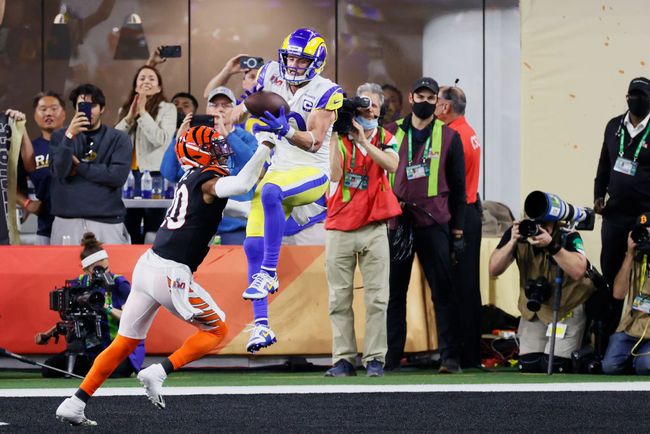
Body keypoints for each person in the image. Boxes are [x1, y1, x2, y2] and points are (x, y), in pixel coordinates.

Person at [55, 126, 273, 426]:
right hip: (171, 273)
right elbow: (241, 184)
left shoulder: (191, 179)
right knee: (218, 331)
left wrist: (272, 210)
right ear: (198, 153)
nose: (222, 152)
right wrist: (265, 146)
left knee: (124, 341)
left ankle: (75, 401)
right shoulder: (207, 181)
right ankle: (158, 371)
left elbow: (236, 206)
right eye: (214, 148)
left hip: (149, 266)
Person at [239, 28, 343, 354]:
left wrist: (286, 130)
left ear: (317, 62)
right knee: (252, 245)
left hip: (312, 172)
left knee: (269, 192)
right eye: (292, 57)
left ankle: (270, 273)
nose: (295, 64)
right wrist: (236, 113)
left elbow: (314, 141)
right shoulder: (271, 71)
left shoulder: (327, 91)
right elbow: (250, 101)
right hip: (280, 170)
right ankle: (261, 327)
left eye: (302, 59)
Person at [384, 77, 466, 373]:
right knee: (394, 293)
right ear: (411, 97)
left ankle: (449, 357)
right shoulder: (390, 133)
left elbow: (459, 189)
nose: (425, 102)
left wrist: (458, 232)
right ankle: (390, 357)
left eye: (430, 98)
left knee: (443, 292)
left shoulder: (449, 137)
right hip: (398, 224)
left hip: (434, 223)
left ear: (437, 103)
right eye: (420, 96)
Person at [324, 83, 401, 378]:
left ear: (381, 111)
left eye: (374, 107)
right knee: (338, 299)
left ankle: (375, 359)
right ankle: (343, 359)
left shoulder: (386, 138)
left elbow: (392, 165)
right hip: (339, 227)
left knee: (378, 298)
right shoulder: (338, 139)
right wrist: (334, 132)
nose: (369, 110)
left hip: (374, 227)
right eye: (364, 105)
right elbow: (334, 174)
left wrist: (365, 143)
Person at [488, 218, 595, 373]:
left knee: (556, 366)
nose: (539, 229)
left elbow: (578, 271)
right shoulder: (518, 232)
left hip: (567, 306)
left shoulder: (568, 235)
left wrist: (552, 245)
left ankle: (585, 345)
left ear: (555, 223)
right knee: (529, 365)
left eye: (545, 225)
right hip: (535, 308)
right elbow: (493, 270)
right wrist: (512, 242)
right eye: (536, 224)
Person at [35, 232, 145, 378]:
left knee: (113, 371)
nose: (104, 274)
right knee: (49, 369)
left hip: (117, 347)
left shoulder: (119, 284)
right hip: (90, 347)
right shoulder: (78, 284)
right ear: (86, 270)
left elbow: (130, 318)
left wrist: (106, 307)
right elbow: (72, 315)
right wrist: (47, 334)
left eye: (106, 269)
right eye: (98, 270)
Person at [161, 86, 257, 245]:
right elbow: (169, 173)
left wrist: (227, 135)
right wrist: (178, 139)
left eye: (225, 105)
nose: (219, 109)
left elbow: (252, 167)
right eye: (214, 105)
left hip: (236, 226)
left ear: (234, 110)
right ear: (206, 109)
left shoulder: (246, 138)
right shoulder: (194, 138)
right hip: (196, 224)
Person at [594, 77, 650, 338]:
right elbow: (604, 164)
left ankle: (639, 329)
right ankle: (611, 331)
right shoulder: (614, 126)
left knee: (642, 274)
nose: (635, 99)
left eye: (641, 95)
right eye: (632, 95)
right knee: (611, 267)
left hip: (645, 214)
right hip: (615, 213)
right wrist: (598, 195)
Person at [435, 85, 483, 368]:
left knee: (461, 289)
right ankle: (469, 353)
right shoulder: (468, 132)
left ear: (446, 107)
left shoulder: (456, 137)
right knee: (466, 288)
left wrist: (457, 228)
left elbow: (454, 185)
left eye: (436, 100)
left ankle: (467, 355)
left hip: (461, 215)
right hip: (469, 209)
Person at [49, 84, 132, 245]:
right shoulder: (60, 136)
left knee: (113, 270)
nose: (89, 110)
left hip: (107, 222)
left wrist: (79, 167)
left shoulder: (119, 138)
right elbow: (59, 172)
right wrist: (69, 136)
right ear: (75, 109)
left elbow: (117, 176)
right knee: (63, 271)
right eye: (82, 106)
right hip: (66, 221)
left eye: (93, 105)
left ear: (102, 108)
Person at [115, 65, 176, 244]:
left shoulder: (168, 109)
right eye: (142, 78)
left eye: (151, 79)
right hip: (129, 176)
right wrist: (130, 117)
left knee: (153, 232)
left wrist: (142, 112)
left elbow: (161, 139)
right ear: (135, 86)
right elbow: (115, 139)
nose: (146, 82)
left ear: (159, 87)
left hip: (155, 175)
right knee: (129, 228)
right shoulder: (125, 109)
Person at [17, 91, 67, 244]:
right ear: (35, 115)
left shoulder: (75, 142)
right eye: (43, 109)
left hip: (78, 225)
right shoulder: (30, 149)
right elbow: (11, 185)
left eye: (54, 108)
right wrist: (26, 203)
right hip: (45, 229)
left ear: (64, 113)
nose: (48, 113)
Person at [601, 218, 650, 374]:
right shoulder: (635, 258)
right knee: (610, 366)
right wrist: (629, 255)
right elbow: (618, 293)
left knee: (645, 366)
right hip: (632, 326)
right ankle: (635, 359)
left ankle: (639, 360)